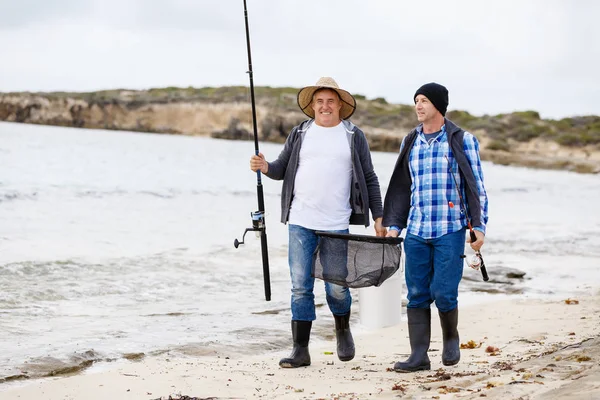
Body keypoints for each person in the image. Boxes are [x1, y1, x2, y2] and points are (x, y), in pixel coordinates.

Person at [250, 77, 386, 368]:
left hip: (336, 223)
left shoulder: (353, 135)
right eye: (320, 102)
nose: (325, 106)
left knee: (336, 286)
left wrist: (379, 216)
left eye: (330, 101)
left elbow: (370, 178)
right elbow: (281, 169)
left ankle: (342, 329)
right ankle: (301, 350)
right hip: (300, 220)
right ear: (312, 106)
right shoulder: (300, 132)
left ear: (339, 105)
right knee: (300, 286)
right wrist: (264, 167)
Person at [382, 82, 489, 372]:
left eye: (425, 100)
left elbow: (476, 186)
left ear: (439, 105)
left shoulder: (462, 139)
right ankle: (419, 356)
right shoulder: (410, 141)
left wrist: (478, 225)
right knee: (416, 293)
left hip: (450, 228)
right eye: (416, 100)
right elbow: (402, 187)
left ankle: (450, 339)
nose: (418, 106)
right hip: (416, 230)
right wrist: (394, 224)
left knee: (443, 291)